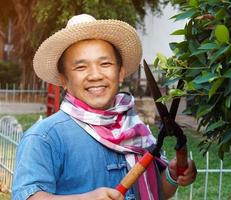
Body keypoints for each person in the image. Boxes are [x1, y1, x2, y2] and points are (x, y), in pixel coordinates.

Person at [12, 14, 197, 200]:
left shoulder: (134, 129)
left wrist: (172, 176)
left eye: (105, 63)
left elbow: (154, 191)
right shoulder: (44, 137)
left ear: (120, 73)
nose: (95, 75)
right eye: (81, 67)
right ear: (64, 80)